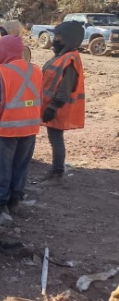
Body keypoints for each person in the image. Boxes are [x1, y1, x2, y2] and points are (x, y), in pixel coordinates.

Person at [0, 35, 42, 222]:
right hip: (30, 128)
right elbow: (40, 98)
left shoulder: (3, 71)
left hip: (7, 130)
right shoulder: (36, 69)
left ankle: (0, 206)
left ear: (3, 51)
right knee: (20, 166)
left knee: (0, 167)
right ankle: (15, 200)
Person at [40, 20, 85, 183]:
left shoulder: (70, 60)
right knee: (55, 138)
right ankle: (56, 170)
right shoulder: (61, 56)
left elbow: (65, 90)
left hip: (57, 108)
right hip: (51, 106)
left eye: (58, 36)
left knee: (56, 139)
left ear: (69, 39)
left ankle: (57, 172)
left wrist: (52, 108)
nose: (54, 39)